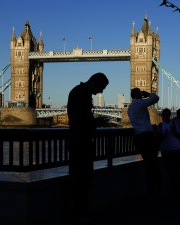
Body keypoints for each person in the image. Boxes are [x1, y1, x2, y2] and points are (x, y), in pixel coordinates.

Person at [67, 72, 109, 225]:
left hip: (80, 143)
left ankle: (81, 214)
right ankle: (79, 216)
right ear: (95, 83)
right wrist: (97, 123)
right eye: (102, 88)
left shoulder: (79, 92)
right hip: (80, 143)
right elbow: (80, 121)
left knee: (83, 181)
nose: (101, 92)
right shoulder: (81, 94)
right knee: (81, 181)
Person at [127, 87, 161, 194]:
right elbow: (156, 98)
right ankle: (153, 188)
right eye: (140, 94)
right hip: (148, 137)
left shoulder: (130, 107)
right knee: (152, 163)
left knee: (148, 163)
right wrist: (148, 94)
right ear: (139, 95)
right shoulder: (140, 103)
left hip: (139, 138)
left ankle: (150, 187)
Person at [158, 108, 180, 191]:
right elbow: (159, 139)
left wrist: (173, 131)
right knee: (168, 167)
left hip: (175, 148)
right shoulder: (160, 126)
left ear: (168, 115)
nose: (163, 116)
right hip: (165, 149)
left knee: (175, 167)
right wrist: (163, 136)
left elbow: (179, 136)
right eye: (163, 115)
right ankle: (172, 183)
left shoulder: (174, 124)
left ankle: (173, 184)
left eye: (164, 115)